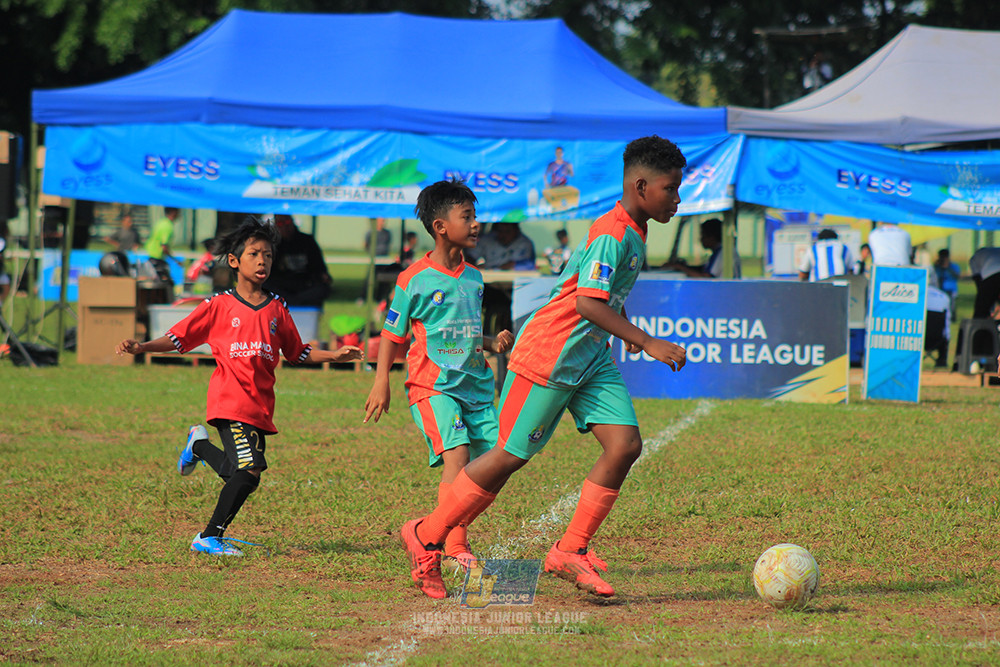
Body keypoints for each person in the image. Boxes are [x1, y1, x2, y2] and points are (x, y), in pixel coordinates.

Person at [397, 135, 688, 599]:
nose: (677, 198)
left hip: (589, 359)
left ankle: (570, 550)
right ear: (640, 186)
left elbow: (603, 295)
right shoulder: (613, 233)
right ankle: (427, 535)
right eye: (671, 188)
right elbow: (589, 304)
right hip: (551, 356)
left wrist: (627, 327)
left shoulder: (635, 228)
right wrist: (645, 340)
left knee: (625, 444)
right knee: (508, 458)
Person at [115, 216, 363, 556]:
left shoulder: (277, 308)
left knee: (236, 471)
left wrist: (334, 355)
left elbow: (297, 352)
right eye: (254, 254)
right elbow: (179, 338)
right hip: (228, 402)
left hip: (259, 407)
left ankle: (198, 446)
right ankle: (208, 536)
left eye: (268, 255)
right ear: (234, 261)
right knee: (249, 471)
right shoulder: (218, 306)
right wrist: (143, 347)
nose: (262, 261)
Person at [363, 180, 514, 577]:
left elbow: (460, 329)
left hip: (476, 387)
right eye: (468, 216)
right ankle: (452, 541)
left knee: (493, 469)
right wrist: (383, 382)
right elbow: (393, 335)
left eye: (476, 215)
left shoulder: (475, 278)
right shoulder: (413, 278)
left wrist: (489, 341)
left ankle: (438, 531)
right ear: (441, 226)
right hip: (433, 386)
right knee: (458, 456)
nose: (477, 224)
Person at [263, 214, 333, 308]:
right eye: (280, 223)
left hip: (304, 285)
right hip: (281, 286)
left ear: (292, 222)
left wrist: (323, 276)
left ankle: (296, 303)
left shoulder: (307, 241)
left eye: (287, 222)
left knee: (322, 288)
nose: (285, 226)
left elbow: (319, 267)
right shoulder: (271, 244)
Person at [662, 218, 741, 278]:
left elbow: (706, 278)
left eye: (703, 235)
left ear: (712, 237)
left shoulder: (723, 252)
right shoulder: (719, 251)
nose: (701, 239)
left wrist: (681, 268)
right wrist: (686, 267)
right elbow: (704, 268)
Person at [469, 222, 536, 271]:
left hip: (515, 281)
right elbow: (471, 257)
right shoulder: (487, 240)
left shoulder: (525, 243)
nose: (504, 235)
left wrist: (515, 265)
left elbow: (531, 265)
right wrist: (475, 267)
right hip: (489, 281)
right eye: (500, 231)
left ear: (516, 230)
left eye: (508, 231)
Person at [968, 247, 1000, 319]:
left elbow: (978, 280)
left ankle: (980, 328)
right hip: (992, 274)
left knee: (981, 311)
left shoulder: (974, 258)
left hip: (991, 276)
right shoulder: (997, 250)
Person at [933, 248, 961, 321]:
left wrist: (947, 267)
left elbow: (957, 276)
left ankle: (952, 318)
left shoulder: (953, 266)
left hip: (951, 289)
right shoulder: (937, 266)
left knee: (951, 305)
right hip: (940, 289)